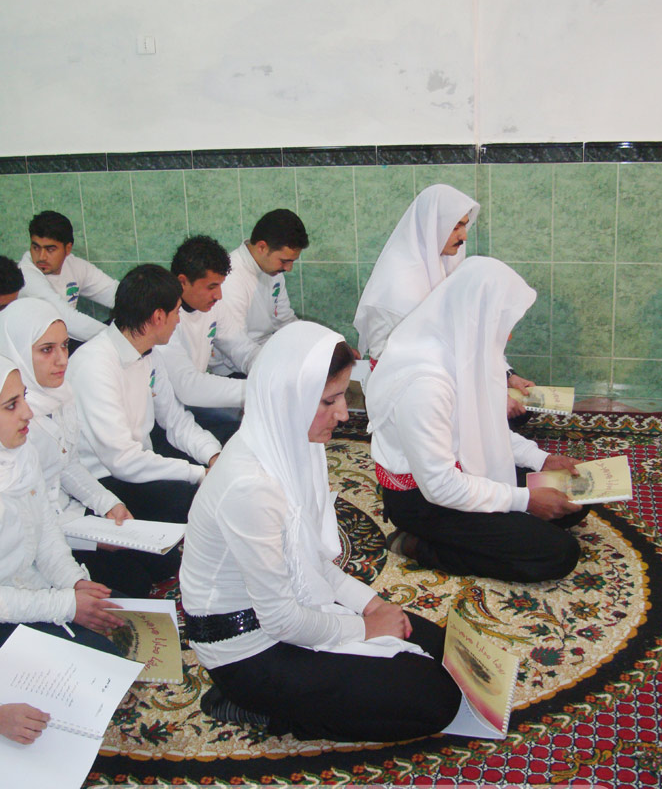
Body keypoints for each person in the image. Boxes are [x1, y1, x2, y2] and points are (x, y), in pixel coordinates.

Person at [180, 322, 461, 742]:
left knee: (439, 647)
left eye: (343, 396)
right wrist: (367, 629)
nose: (344, 414)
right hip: (247, 650)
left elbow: (311, 561)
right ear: (288, 398)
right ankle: (259, 708)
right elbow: (281, 620)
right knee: (434, 699)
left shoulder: (295, 447)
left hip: (288, 612)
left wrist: (373, 606)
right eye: (329, 400)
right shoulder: (249, 485)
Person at [366, 257, 587, 583]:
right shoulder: (425, 383)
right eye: (504, 322)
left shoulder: (465, 352)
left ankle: (499, 528)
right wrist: (526, 501)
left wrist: (542, 460)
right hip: (425, 499)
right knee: (558, 553)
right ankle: (419, 544)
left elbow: (487, 428)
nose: (508, 336)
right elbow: (441, 486)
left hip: (464, 468)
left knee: (574, 497)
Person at [0, 298, 180, 595]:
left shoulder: (60, 395)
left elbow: (68, 466)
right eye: (46, 350)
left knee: (164, 561)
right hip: (48, 535)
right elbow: (34, 526)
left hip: (69, 516)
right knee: (133, 583)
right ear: (17, 348)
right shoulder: (14, 422)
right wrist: (88, 538)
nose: (62, 360)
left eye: (64, 346)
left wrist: (107, 504)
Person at [66, 264, 221, 524]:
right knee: (201, 502)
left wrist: (213, 456)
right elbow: (122, 460)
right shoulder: (94, 366)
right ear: (158, 317)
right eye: (176, 312)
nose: (178, 320)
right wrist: (198, 474)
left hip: (138, 464)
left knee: (216, 476)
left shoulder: (149, 353)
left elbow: (175, 421)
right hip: (104, 481)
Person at [0, 356, 124, 653]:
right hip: (8, 608)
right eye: (11, 406)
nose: (28, 412)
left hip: (32, 587)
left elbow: (45, 531)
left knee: (119, 614)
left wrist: (72, 581)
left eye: (24, 398)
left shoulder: (21, 454)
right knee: (105, 657)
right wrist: (65, 604)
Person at [353, 184, 480, 364]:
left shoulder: (439, 262)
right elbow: (396, 352)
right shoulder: (399, 276)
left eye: (464, 226)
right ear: (431, 226)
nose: (464, 237)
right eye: (455, 228)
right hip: (400, 376)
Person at [157, 235, 246, 444]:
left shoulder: (212, 306)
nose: (219, 295)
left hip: (192, 401)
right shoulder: (163, 319)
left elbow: (241, 347)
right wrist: (258, 390)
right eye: (211, 287)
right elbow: (188, 388)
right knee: (240, 429)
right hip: (167, 417)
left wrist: (272, 373)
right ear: (182, 282)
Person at [210, 209, 308, 377]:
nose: (289, 268)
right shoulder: (231, 277)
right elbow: (236, 347)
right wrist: (280, 370)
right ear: (262, 247)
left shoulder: (272, 270)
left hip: (265, 353)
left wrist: (320, 345)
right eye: (284, 261)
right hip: (235, 368)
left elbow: (284, 319)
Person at [18, 211, 118, 342]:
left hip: (63, 340)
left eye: (50, 249)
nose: (41, 257)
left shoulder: (74, 264)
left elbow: (116, 293)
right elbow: (68, 320)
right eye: (36, 248)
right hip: (38, 346)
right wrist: (122, 341)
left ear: (68, 248)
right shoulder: (26, 276)